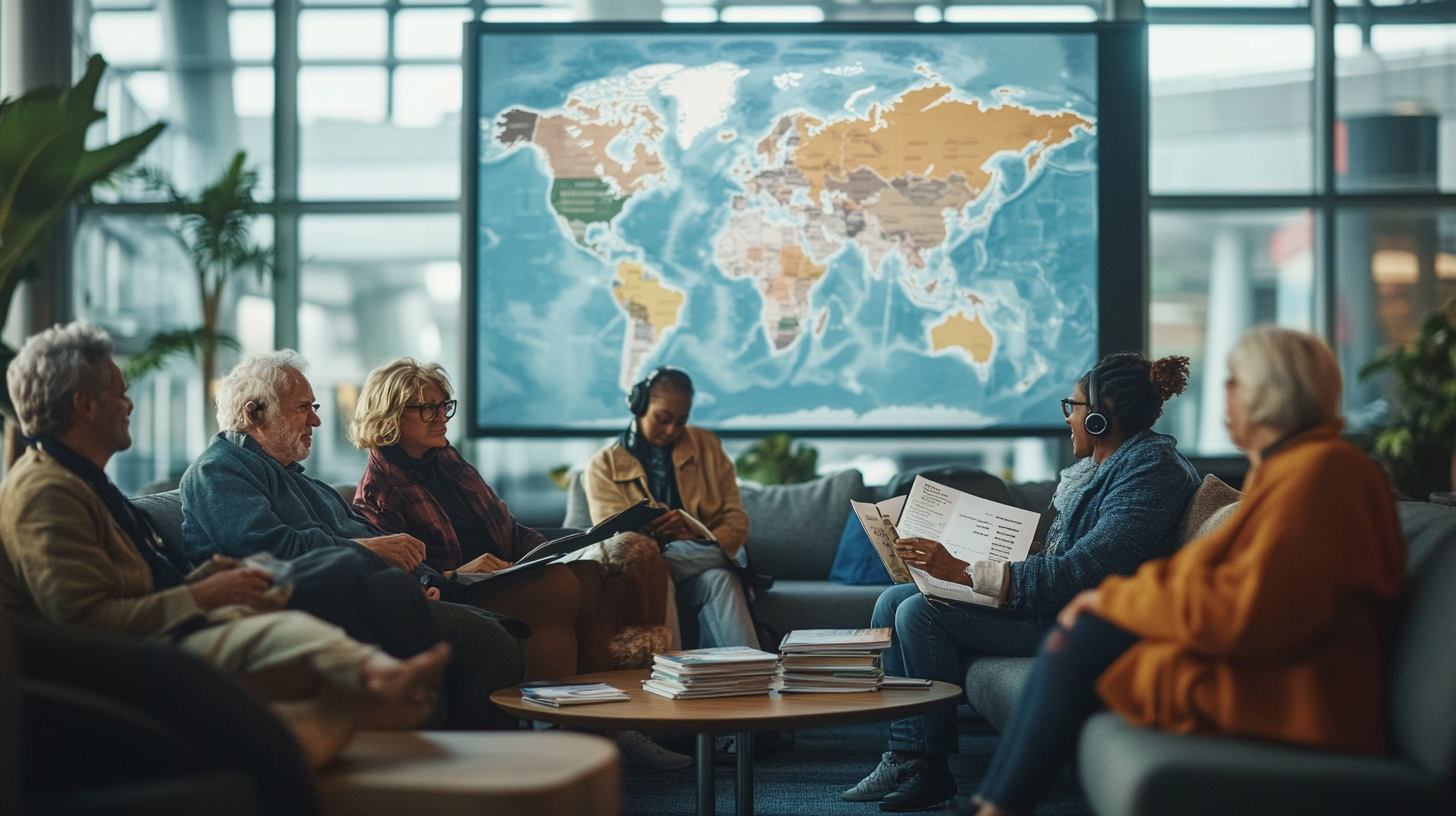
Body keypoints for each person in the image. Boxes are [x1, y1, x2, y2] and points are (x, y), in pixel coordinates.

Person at [969, 328, 1404, 816]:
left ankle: (996, 806)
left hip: (1301, 694)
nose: (1227, 395)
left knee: (1080, 638)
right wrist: (1113, 601)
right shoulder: (1293, 468)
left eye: (1235, 382)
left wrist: (1112, 601)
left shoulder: (1321, 474)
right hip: (1275, 667)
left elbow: (1249, 610)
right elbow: (1224, 581)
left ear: (1268, 393)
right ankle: (996, 804)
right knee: (1084, 632)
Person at [0, 323, 450, 767]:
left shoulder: (82, 479)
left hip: (172, 623)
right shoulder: (47, 491)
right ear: (84, 405)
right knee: (333, 575)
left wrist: (201, 579)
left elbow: (141, 582)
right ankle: (371, 691)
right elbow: (83, 622)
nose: (130, 404)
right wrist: (198, 595)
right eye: (119, 393)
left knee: (327, 583)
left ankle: (360, 695)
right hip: (141, 651)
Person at [848, 352, 1202, 812]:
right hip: (1050, 601)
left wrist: (960, 570)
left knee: (919, 611)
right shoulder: (1111, 466)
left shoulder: (1152, 473)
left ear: (1099, 418)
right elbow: (1069, 556)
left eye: (1072, 407)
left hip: (1073, 619)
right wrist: (995, 553)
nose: (1068, 418)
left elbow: (1084, 572)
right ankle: (907, 753)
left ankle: (928, 768)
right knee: (894, 599)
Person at [347, 357, 689, 770]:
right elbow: (405, 573)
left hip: (504, 575)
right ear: (390, 416)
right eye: (428, 409)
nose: (442, 418)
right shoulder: (379, 493)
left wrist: (543, 550)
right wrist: (460, 572)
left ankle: (608, 728)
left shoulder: (452, 464)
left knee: (589, 573)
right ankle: (562, 740)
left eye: (444, 406)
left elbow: (508, 527)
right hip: (458, 590)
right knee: (558, 586)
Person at [179, 350, 526, 730]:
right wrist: (367, 552)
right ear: (254, 413)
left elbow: (375, 541)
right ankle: (482, 776)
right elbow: (266, 550)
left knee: (503, 631)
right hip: (307, 607)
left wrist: (427, 579)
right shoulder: (218, 470)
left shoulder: (301, 481)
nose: (316, 419)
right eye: (303, 408)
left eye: (314, 406)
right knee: (491, 643)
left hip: (360, 595)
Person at [583, 367, 758, 651]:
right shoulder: (604, 465)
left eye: (681, 422)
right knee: (663, 566)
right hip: (650, 569)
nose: (671, 431)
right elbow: (613, 543)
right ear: (639, 406)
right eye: (662, 419)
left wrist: (693, 530)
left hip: (697, 558)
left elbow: (736, 520)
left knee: (720, 579)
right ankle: (673, 675)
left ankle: (752, 675)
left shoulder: (708, 446)